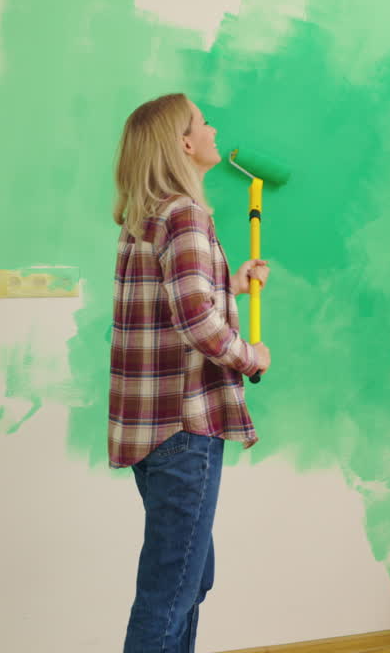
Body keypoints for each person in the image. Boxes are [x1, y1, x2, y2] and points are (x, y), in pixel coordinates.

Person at [109, 93, 271, 653]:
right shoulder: (184, 214)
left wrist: (233, 281)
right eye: (202, 123)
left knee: (189, 577)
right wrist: (251, 355)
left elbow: (175, 302)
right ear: (183, 142)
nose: (212, 128)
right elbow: (197, 324)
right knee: (171, 590)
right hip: (185, 427)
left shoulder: (146, 217)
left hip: (150, 428)